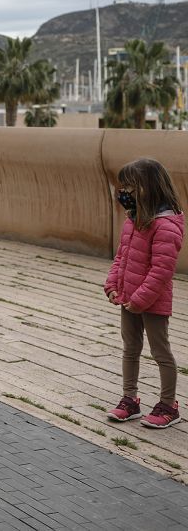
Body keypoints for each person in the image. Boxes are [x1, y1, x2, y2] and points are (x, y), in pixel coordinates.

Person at [105, 158, 185, 428]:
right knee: (130, 349)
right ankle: (130, 399)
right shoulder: (133, 219)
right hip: (129, 299)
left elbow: (162, 271)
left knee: (160, 352)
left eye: (130, 186)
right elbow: (122, 257)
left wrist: (140, 300)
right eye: (123, 186)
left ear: (149, 187)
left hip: (151, 302)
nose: (124, 192)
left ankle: (168, 404)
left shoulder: (166, 225)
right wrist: (113, 285)